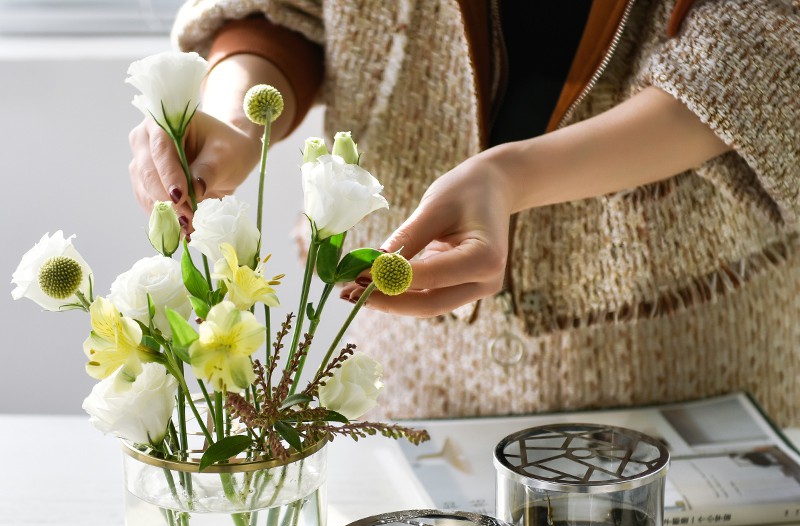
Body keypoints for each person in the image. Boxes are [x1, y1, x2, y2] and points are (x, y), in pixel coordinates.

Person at [129, 0, 800, 424]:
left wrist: (509, 176)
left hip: (682, 359)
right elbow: (280, 15)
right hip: (406, 357)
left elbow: (758, 57)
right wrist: (235, 116)